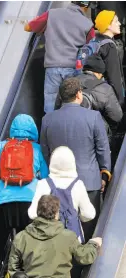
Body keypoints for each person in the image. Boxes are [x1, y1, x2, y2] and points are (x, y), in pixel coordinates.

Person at [40, 77, 111, 241]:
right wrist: (104, 173)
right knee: (90, 228)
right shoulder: (93, 117)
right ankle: (87, 264)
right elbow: (102, 148)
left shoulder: (47, 119)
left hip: (59, 186)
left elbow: (45, 150)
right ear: (79, 94)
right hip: (89, 183)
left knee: (62, 231)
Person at [0, 114, 48, 232]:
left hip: (5, 199)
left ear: (13, 129)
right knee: (31, 234)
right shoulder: (37, 149)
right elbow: (45, 176)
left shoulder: (4, 146)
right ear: (33, 129)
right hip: (30, 198)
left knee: (6, 233)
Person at [24, 2, 95, 113]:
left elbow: (28, 27)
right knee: (72, 103)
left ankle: (51, 127)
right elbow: (91, 46)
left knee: (50, 103)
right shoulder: (87, 24)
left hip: (53, 68)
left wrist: (38, 21)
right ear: (85, 6)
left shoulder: (52, 14)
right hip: (73, 69)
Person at [28, 146, 96, 242]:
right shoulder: (78, 185)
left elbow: (32, 213)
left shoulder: (43, 184)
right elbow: (89, 214)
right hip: (73, 240)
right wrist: (75, 217)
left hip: (47, 241)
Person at [55, 55, 123, 132]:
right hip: (93, 135)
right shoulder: (105, 88)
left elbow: (57, 109)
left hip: (67, 131)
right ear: (99, 73)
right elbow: (117, 117)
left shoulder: (67, 84)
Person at [95, 10, 125, 106]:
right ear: (107, 25)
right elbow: (114, 76)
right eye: (116, 21)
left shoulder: (96, 41)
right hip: (109, 96)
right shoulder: (109, 46)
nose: (119, 24)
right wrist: (120, 101)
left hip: (97, 93)